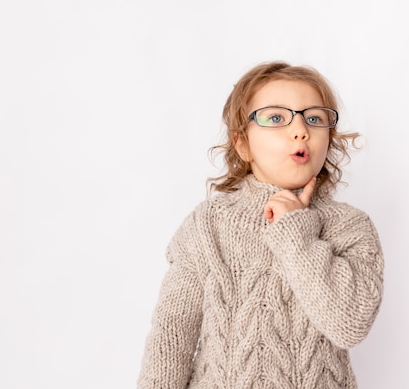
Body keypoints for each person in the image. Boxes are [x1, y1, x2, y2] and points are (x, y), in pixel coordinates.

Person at [137, 61, 384, 389]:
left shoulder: (350, 227)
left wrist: (294, 228)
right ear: (242, 144)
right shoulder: (207, 226)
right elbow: (171, 335)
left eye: (314, 118)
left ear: (330, 138)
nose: (300, 130)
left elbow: (348, 325)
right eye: (276, 118)